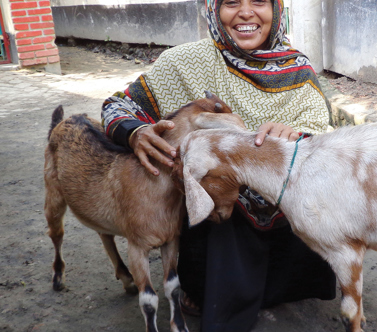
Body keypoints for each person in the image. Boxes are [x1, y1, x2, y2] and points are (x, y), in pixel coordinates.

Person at [101, 0, 337, 330]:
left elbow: (326, 135)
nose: (245, 12)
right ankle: (207, 284)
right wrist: (136, 132)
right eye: (231, 2)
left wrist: (299, 135)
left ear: (277, 9)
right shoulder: (183, 64)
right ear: (214, 9)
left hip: (287, 213)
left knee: (316, 217)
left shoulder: (297, 68)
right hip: (224, 219)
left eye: (258, 1)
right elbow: (116, 106)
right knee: (217, 214)